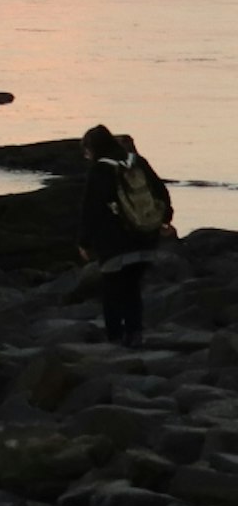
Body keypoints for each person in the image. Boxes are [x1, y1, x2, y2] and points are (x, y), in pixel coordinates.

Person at [78, 124, 175, 347]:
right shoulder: (137, 162)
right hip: (145, 238)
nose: (87, 156)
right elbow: (160, 191)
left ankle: (115, 337)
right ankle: (135, 333)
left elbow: (91, 209)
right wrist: (164, 219)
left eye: (87, 151)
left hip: (115, 243)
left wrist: (84, 241)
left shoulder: (100, 170)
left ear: (93, 148)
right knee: (132, 288)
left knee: (112, 290)